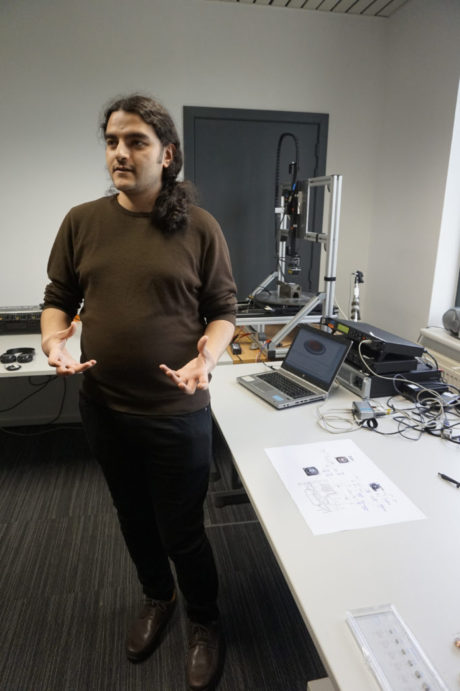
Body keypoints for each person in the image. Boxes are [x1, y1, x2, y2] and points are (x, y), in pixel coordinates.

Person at [41, 94, 237, 690]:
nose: (120, 153)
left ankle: (204, 620)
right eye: (111, 142)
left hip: (176, 411)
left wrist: (207, 357)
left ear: (167, 154)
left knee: (183, 528)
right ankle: (159, 596)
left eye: (135, 142)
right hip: (105, 407)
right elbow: (58, 298)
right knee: (132, 516)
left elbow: (224, 312)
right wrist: (53, 341)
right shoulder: (82, 221)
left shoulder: (200, 227)